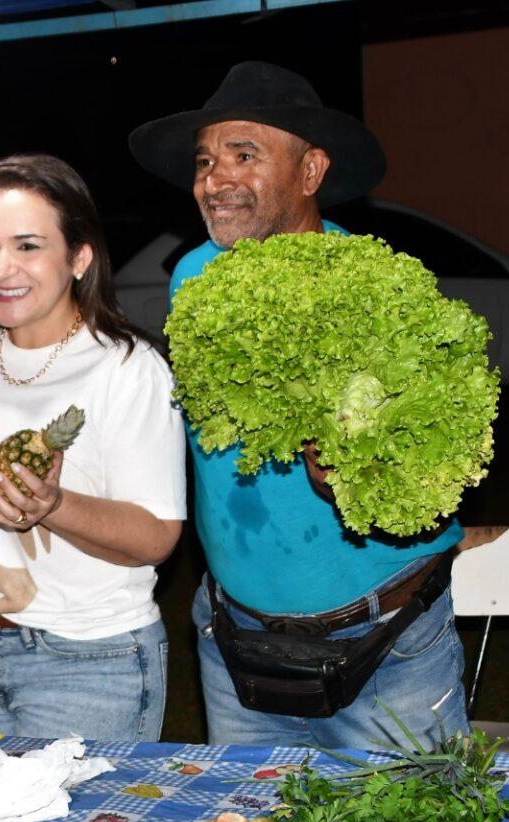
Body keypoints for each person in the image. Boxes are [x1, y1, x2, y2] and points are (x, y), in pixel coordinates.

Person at [129, 61, 467, 748]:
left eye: (243, 154)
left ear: (311, 171)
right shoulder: (193, 278)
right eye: (205, 160)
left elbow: (436, 468)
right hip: (239, 650)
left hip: (387, 646)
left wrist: (359, 476)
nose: (214, 180)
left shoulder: (378, 291)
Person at [0, 154, 185, 741]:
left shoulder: (127, 368)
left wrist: (53, 505)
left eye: (27, 246)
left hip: (85, 662)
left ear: (79, 257)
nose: (1, 268)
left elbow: (157, 536)